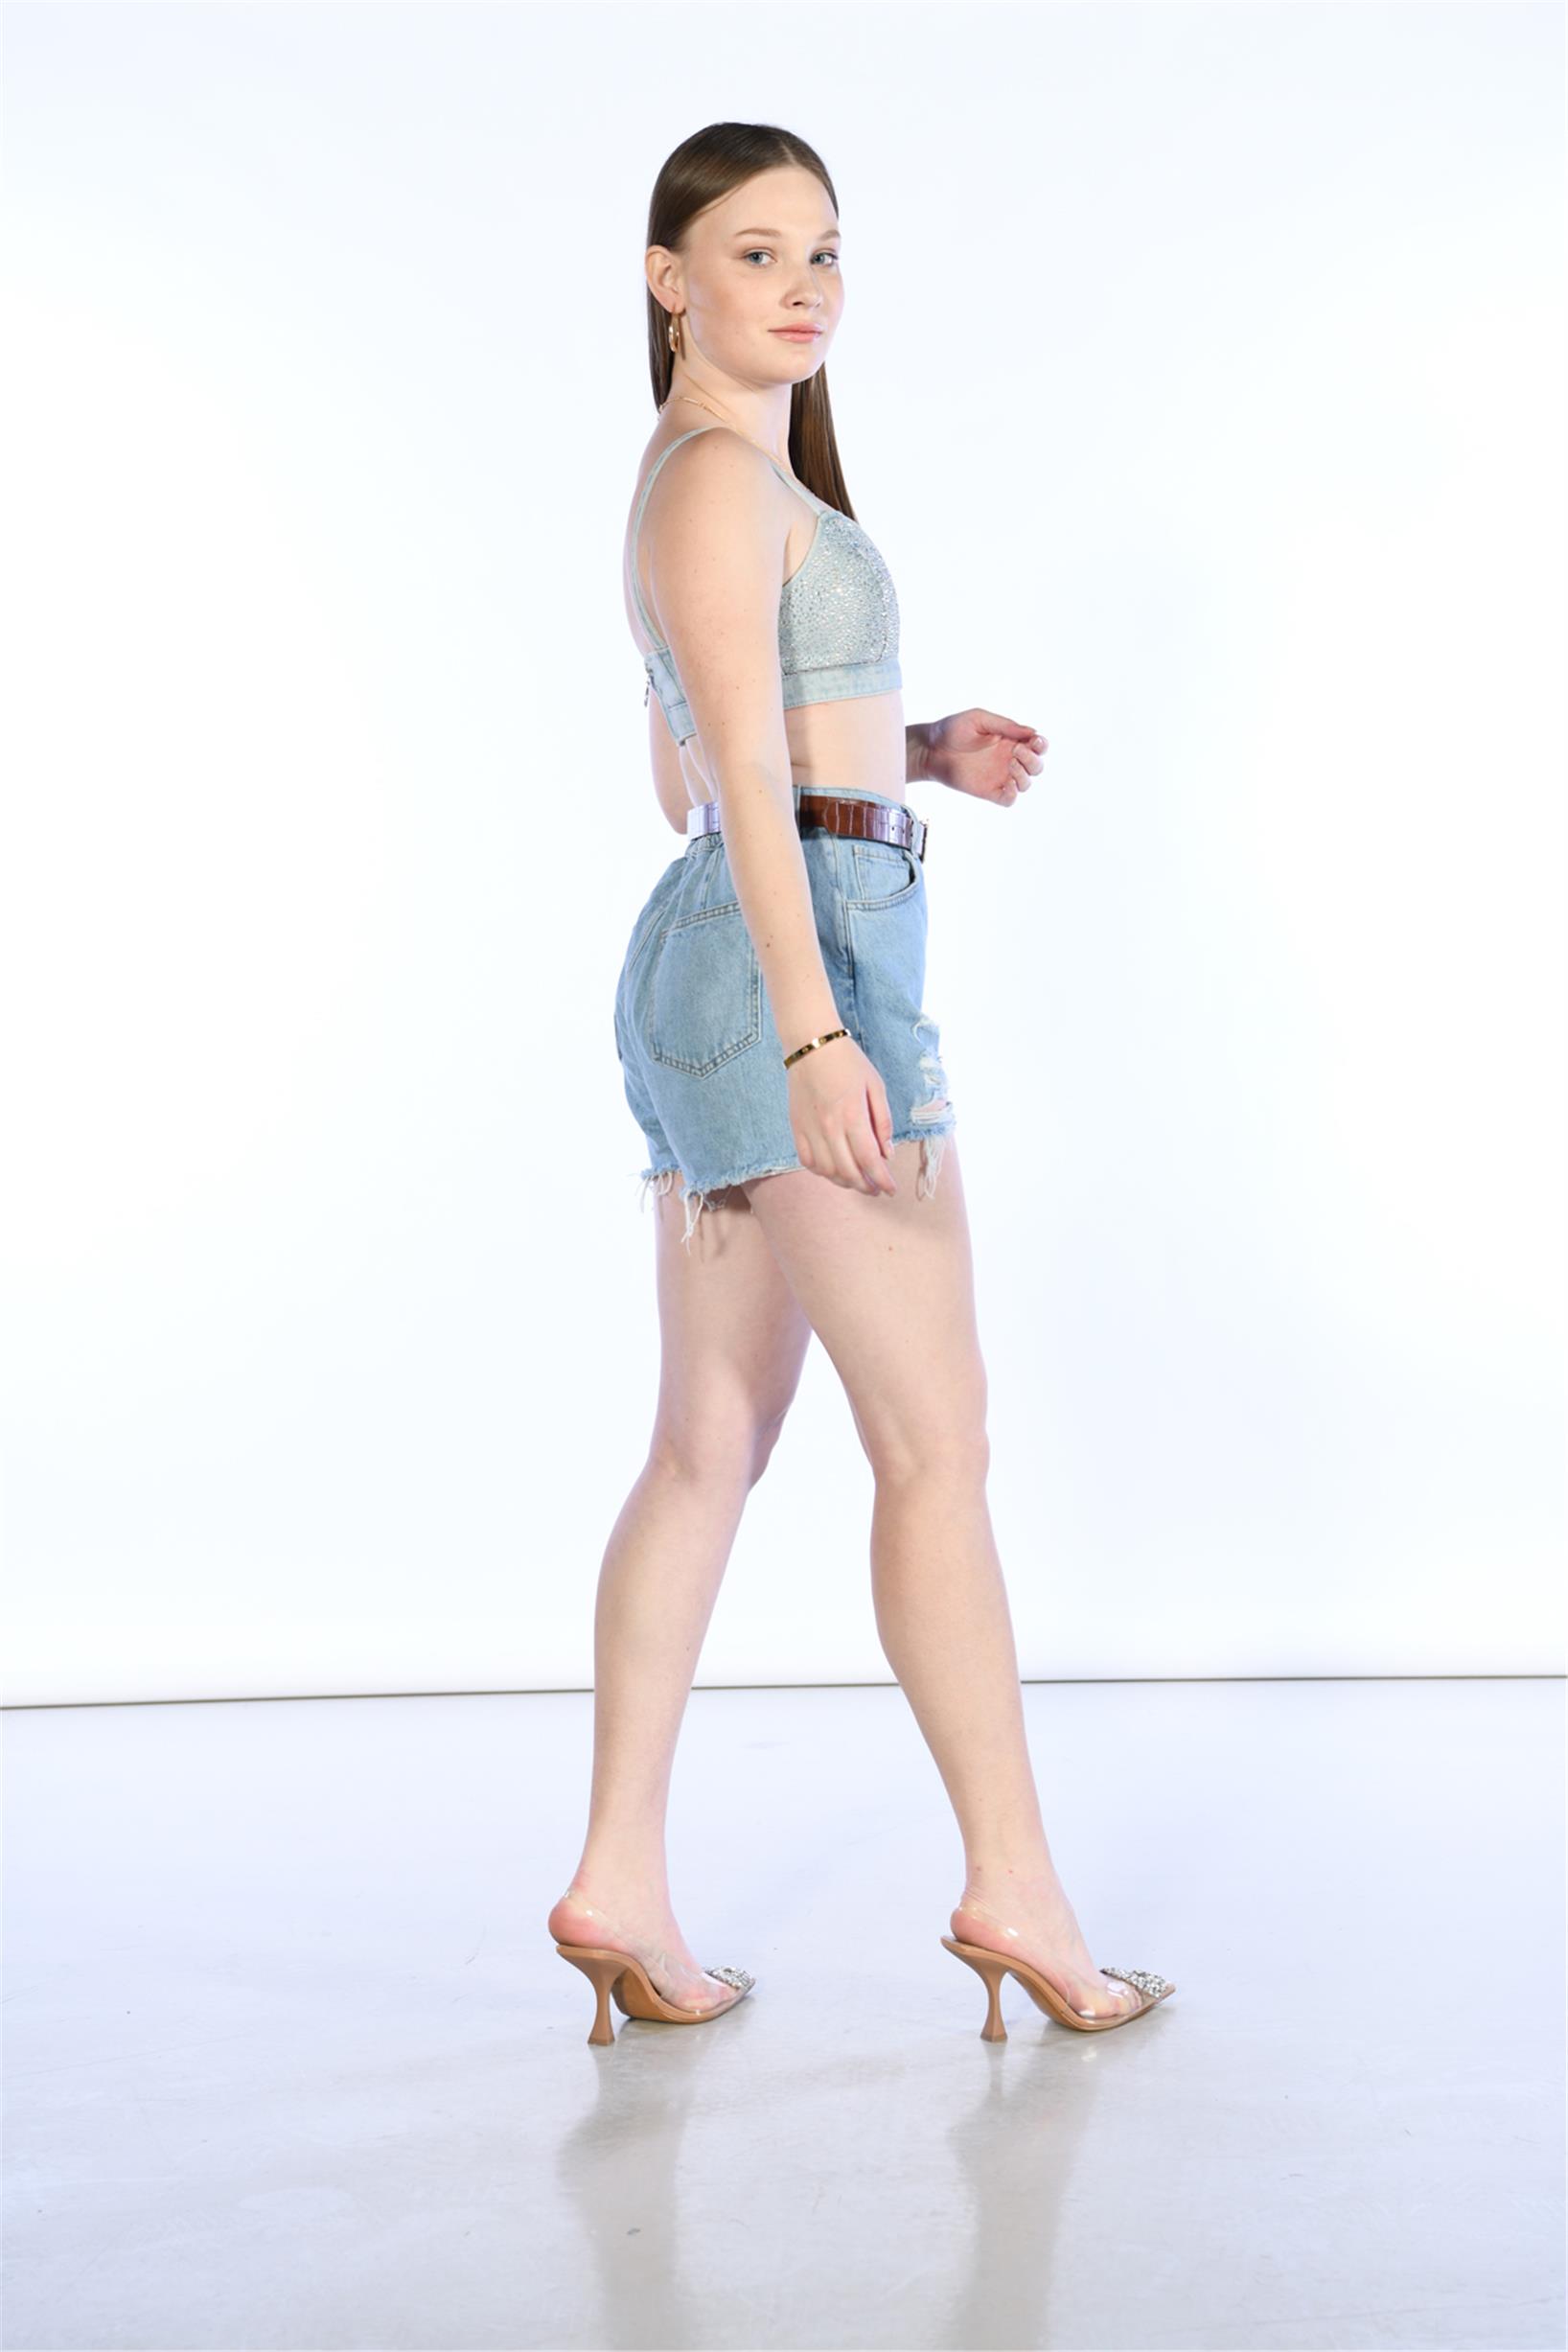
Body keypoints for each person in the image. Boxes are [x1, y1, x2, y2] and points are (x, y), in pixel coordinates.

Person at [549, 122, 1174, 2048]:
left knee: (707, 1445)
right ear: (668, 279)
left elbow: (703, 755)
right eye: (754, 253)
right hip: (794, 966)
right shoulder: (715, 479)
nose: (803, 286)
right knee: (936, 1446)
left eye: (824, 250)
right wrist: (821, 1036)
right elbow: (730, 781)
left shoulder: (711, 477)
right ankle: (1019, 1896)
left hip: (744, 953)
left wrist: (909, 744)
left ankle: (619, 1886)